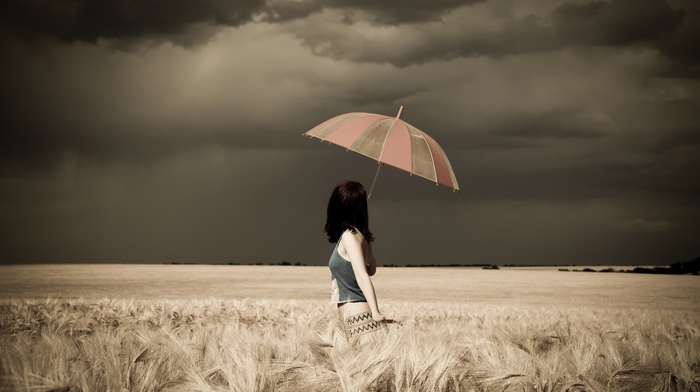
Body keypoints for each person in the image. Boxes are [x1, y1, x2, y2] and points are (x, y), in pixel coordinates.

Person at [325, 180, 399, 347]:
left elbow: (363, 275)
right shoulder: (361, 236)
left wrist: (376, 312)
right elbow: (372, 268)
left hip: (356, 313)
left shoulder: (349, 237)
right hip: (349, 316)